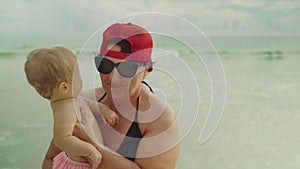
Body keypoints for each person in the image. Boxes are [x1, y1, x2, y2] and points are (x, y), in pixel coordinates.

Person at [43, 23, 180, 169]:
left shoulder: (159, 117)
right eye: (106, 65)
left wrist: (90, 143)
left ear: (146, 70)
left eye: (126, 68)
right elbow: (50, 159)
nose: (113, 76)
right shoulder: (83, 101)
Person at [24, 46, 119, 169]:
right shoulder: (64, 110)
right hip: (78, 165)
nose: (80, 77)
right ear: (64, 87)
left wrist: (104, 110)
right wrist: (89, 150)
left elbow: (89, 104)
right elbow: (62, 139)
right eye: (77, 74)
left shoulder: (72, 100)